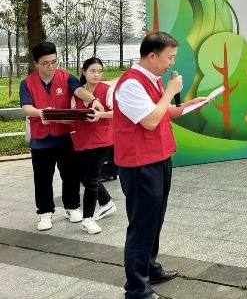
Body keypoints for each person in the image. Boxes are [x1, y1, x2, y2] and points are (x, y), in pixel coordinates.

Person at [114, 32, 209, 299]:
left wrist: (188, 105)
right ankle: (137, 288)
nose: (172, 63)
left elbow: (162, 111)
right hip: (140, 164)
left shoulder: (152, 79)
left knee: (155, 219)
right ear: (152, 56)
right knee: (142, 225)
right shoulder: (131, 84)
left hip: (159, 158)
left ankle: (149, 268)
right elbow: (150, 121)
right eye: (170, 57)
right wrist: (170, 92)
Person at [21, 41, 106, 232]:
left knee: (70, 175)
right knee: (42, 178)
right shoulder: (27, 83)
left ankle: (72, 207)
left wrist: (93, 99)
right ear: (36, 64)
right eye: (46, 63)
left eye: (54, 62)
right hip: (41, 139)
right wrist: (41, 113)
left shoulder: (66, 78)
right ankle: (45, 212)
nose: (51, 66)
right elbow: (26, 107)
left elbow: (79, 90)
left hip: (65, 136)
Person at [70, 57, 117, 234]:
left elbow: (118, 113)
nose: (97, 75)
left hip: (102, 139)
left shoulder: (107, 90)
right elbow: (73, 114)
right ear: (84, 72)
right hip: (81, 138)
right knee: (84, 175)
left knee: (91, 177)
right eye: (92, 71)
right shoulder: (78, 92)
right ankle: (106, 202)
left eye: (100, 71)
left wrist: (100, 115)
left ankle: (87, 218)